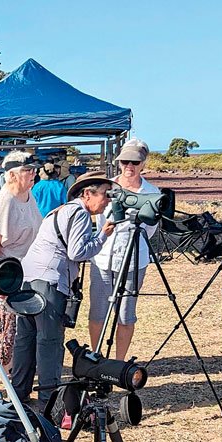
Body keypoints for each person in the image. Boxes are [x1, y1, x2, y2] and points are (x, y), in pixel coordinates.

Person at [12, 171, 116, 411]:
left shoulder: (61, 210)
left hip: (28, 278)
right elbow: (77, 252)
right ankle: (50, 402)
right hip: (48, 282)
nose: (108, 200)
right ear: (87, 194)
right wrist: (102, 237)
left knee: (25, 339)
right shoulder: (79, 213)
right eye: (105, 194)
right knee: (50, 342)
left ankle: (19, 394)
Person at [88, 139, 159, 360]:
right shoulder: (106, 187)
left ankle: (119, 363)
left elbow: (149, 229)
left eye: (135, 162)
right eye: (125, 161)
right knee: (98, 310)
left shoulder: (151, 192)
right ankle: (97, 357)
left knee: (126, 315)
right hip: (102, 258)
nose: (129, 166)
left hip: (134, 260)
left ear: (143, 163)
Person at [0, 151, 43, 376]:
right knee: (7, 327)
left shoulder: (29, 195)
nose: (33, 174)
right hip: (9, 274)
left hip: (28, 270)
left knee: (22, 326)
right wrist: (2, 284)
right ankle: (4, 371)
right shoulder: (5, 201)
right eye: (27, 171)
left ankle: (17, 368)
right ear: (12, 175)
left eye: (33, 170)